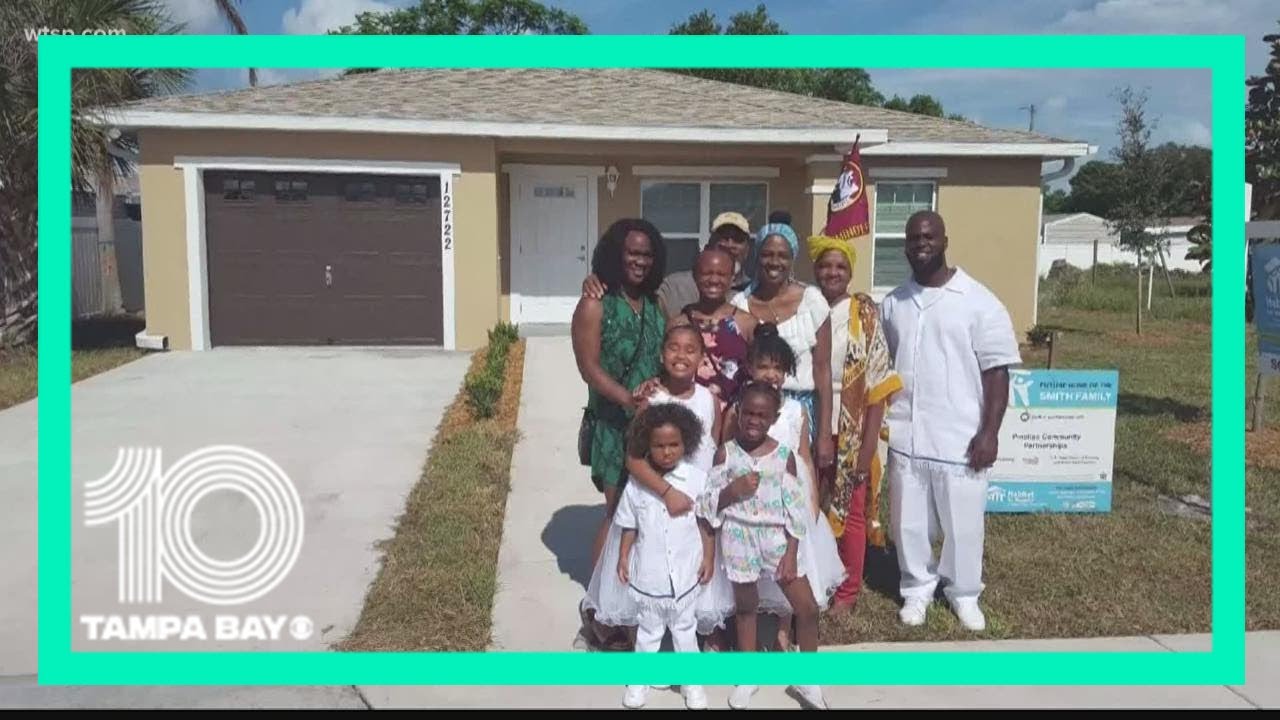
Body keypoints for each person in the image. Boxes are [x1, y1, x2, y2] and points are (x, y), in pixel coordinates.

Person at [880, 211, 1021, 632]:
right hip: (907, 434)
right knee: (908, 523)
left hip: (960, 437)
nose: (921, 244)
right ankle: (917, 589)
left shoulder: (978, 301)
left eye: (929, 236)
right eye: (913, 238)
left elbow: (997, 372)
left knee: (964, 525)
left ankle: (964, 594)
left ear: (944, 240)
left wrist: (989, 432)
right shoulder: (894, 303)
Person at [583, 325, 724, 650]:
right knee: (650, 571)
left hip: (695, 505)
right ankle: (645, 639)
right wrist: (666, 492)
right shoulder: (651, 398)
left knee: (695, 569)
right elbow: (634, 458)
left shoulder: (709, 400)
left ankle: (698, 632)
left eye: (690, 350)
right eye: (673, 348)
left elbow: (712, 451)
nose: (681, 355)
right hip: (655, 499)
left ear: (702, 358)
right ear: (661, 354)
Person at [571, 218, 674, 647]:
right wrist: (627, 400)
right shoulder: (596, 304)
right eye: (632, 252)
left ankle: (632, 603)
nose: (639, 261)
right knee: (616, 516)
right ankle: (599, 610)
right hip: (614, 427)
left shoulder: (655, 305)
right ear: (616, 254)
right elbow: (588, 367)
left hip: (651, 428)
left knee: (645, 517)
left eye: (647, 254)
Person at [701, 381, 828, 711]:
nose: (754, 421)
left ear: (774, 418)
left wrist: (791, 553)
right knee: (746, 607)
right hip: (738, 538)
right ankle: (748, 676)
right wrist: (732, 491)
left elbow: (795, 508)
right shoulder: (726, 453)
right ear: (738, 412)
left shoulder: (784, 457)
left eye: (762, 415)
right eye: (748, 413)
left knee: (807, 607)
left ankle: (808, 678)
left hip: (775, 539)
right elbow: (707, 503)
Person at [722, 325, 845, 653]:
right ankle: (745, 638)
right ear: (750, 368)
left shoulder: (794, 411)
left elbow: (803, 455)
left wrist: (812, 499)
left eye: (778, 367)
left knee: (792, 567)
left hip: (789, 495)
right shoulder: (740, 409)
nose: (771, 374)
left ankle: (783, 630)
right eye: (763, 366)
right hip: (750, 502)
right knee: (750, 575)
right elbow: (727, 451)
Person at [807, 236, 901, 613]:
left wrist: (867, 446)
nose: (832, 272)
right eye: (825, 265)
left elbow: (878, 383)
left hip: (851, 427)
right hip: (809, 421)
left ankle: (847, 591)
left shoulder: (864, 314)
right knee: (809, 506)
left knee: (852, 510)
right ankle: (814, 579)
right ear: (815, 269)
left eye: (840, 266)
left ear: (850, 272)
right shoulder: (806, 306)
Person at [611, 403, 715, 710]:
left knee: (685, 631)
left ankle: (692, 683)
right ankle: (640, 681)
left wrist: (709, 557)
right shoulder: (637, 485)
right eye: (659, 446)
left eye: (674, 444)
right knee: (648, 632)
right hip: (651, 574)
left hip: (685, 574)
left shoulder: (696, 479)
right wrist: (623, 555)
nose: (667, 452)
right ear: (647, 445)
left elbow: (706, 522)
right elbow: (629, 524)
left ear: (686, 443)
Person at [730, 215, 835, 473]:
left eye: (782, 255)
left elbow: (822, 369)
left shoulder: (812, 301)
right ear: (757, 255)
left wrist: (824, 434)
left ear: (792, 259)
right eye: (767, 254)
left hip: (799, 414)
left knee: (796, 482)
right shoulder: (739, 304)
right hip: (753, 413)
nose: (774, 262)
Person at [582, 212, 754, 321]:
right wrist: (601, 279)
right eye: (723, 237)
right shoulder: (675, 286)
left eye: (738, 239)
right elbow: (636, 298)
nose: (729, 244)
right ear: (709, 243)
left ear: (748, 248)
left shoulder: (755, 291)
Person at [669, 246, 757, 405]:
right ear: (695, 276)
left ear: (732, 278)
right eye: (707, 273)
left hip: (733, 414)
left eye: (721, 274)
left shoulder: (746, 323)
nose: (714, 280)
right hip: (688, 412)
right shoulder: (680, 323)